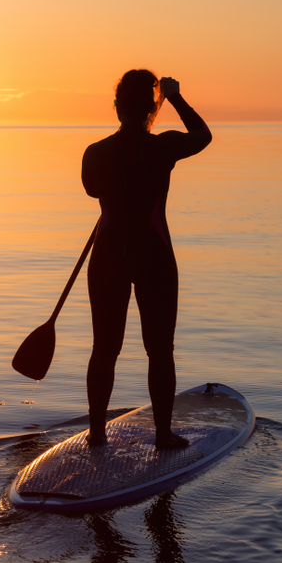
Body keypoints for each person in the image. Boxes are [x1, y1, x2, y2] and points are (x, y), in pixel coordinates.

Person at [81, 70, 211, 449]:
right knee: (159, 350)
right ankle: (163, 435)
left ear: (117, 107)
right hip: (153, 254)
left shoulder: (95, 152)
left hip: (107, 254)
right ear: (151, 108)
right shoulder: (164, 147)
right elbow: (203, 135)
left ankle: (96, 433)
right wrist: (174, 97)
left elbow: (92, 191)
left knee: (104, 348)